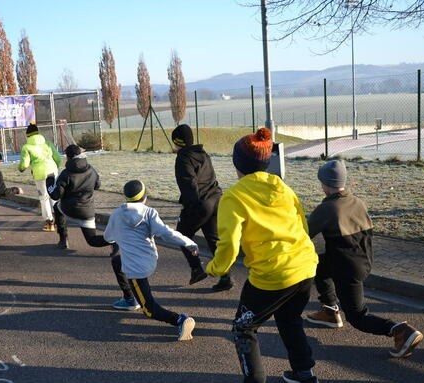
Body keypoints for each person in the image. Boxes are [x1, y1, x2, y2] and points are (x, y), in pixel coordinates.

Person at [206, 128, 319, 383]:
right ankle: (304, 373)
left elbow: (229, 247)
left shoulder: (234, 196)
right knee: (290, 318)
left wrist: (214, 268)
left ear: (238, 163)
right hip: (305, 267)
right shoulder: (283, 187)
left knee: (243, 328)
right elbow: (304, 226)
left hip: (273, 275)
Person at [306, 159, 423, 358]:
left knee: (358, 317)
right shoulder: (358, 202)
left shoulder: (328, 208)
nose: (321, 186)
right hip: (361, 260)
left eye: (321, 182)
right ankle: (330, 311)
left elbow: (303, 233)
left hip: (346, 268)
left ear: (325, 183)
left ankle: (400, 331)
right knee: (319, 265)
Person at [104, 180, 198, 341]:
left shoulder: (116, 214)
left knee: (149, 309)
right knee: (117, 262)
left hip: (136, 268)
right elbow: (166, 233)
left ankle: (180, 319)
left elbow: (107, 237)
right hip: (149, 259)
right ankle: (129, 298)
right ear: (145, 197)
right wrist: (189, 243)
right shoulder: (149, 212)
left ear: (125, 197)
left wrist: (120, 235)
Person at [47, 145, 139, 310]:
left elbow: (55, 195)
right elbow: (97, 185)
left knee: (56, 207)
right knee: (92, 240)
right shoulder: (91, 169)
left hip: (69, 208)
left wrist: (49, 181)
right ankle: (114, 239)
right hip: (87, 210)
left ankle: (63, 239)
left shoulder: (66, 173)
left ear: (68, 157)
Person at [171, 124, 233, 291]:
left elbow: (189, 185)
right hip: (216, 200)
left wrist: (189, 208)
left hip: (200, 204)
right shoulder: (203, 154)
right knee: (213, 240)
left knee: (181, 235)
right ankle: (225, 277)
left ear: (177, 142)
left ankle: (197, 269)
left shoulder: (183, 158)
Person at [18, 122, 63, 232]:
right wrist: (55, 167)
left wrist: (21, 168)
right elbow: (58, 157)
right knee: (54, 195)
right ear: (38, 133)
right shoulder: (47, 143)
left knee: (44, 198)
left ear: (28, 135)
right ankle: (59, 219)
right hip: (52, 172)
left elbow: (24, 164)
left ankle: (50, 223)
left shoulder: (27, 147)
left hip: (40, 175)